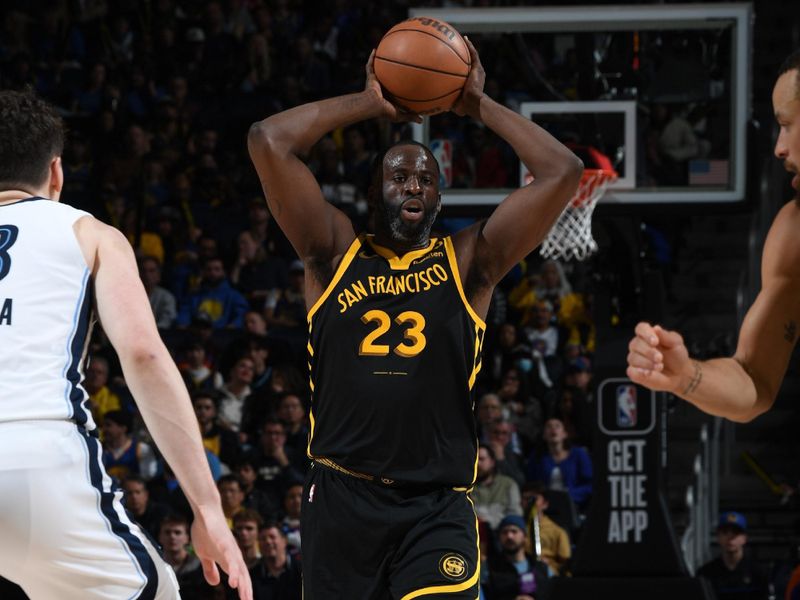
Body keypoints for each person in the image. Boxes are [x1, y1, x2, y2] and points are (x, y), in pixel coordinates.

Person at [247, 39, 582, 598]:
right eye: (400, 176)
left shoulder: (470, 263)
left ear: (438, 201)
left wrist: (474, 104)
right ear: (374, 192)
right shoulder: (333, 253)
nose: (414, 186)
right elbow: (268, 140)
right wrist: (369, 103)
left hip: (436, 505)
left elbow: (562, 172)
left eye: (426, 180)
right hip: (341, 496)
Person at [0, 90, 250, 598]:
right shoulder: (88, 232)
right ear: (56, 173)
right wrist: (207, 507)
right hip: (36, 459)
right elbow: (142, 354)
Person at [626, 50, 800, 423]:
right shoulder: (793, 233)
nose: (779, 148)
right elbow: (754, 382)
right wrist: (686, 376)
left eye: (787, 124)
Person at [696, 512, 769, 600]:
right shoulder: (706, 574)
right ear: (718, 537)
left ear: (744, 538)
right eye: (725, 532)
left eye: (736, 532)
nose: (730, 537)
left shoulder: (758, 572)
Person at [483, 515, 550, 600]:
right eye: (504, 532)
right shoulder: (489, 567)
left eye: (514, 531)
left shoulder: (540, 567)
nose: (509, 536)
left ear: (525, 537)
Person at [472, 444, 523, 530]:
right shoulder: (466, 487)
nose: (477, 463)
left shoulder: (508, 484)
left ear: (492, 462)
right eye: (475, 460)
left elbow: (515, 514)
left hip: (502, 534)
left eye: (481, 459)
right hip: (476, 533)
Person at [250, 522, 303, 600]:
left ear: (284, 541)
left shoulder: (302, 571)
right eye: (263, 539)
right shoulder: (252, 576)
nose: (268, 541)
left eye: (272, 537)